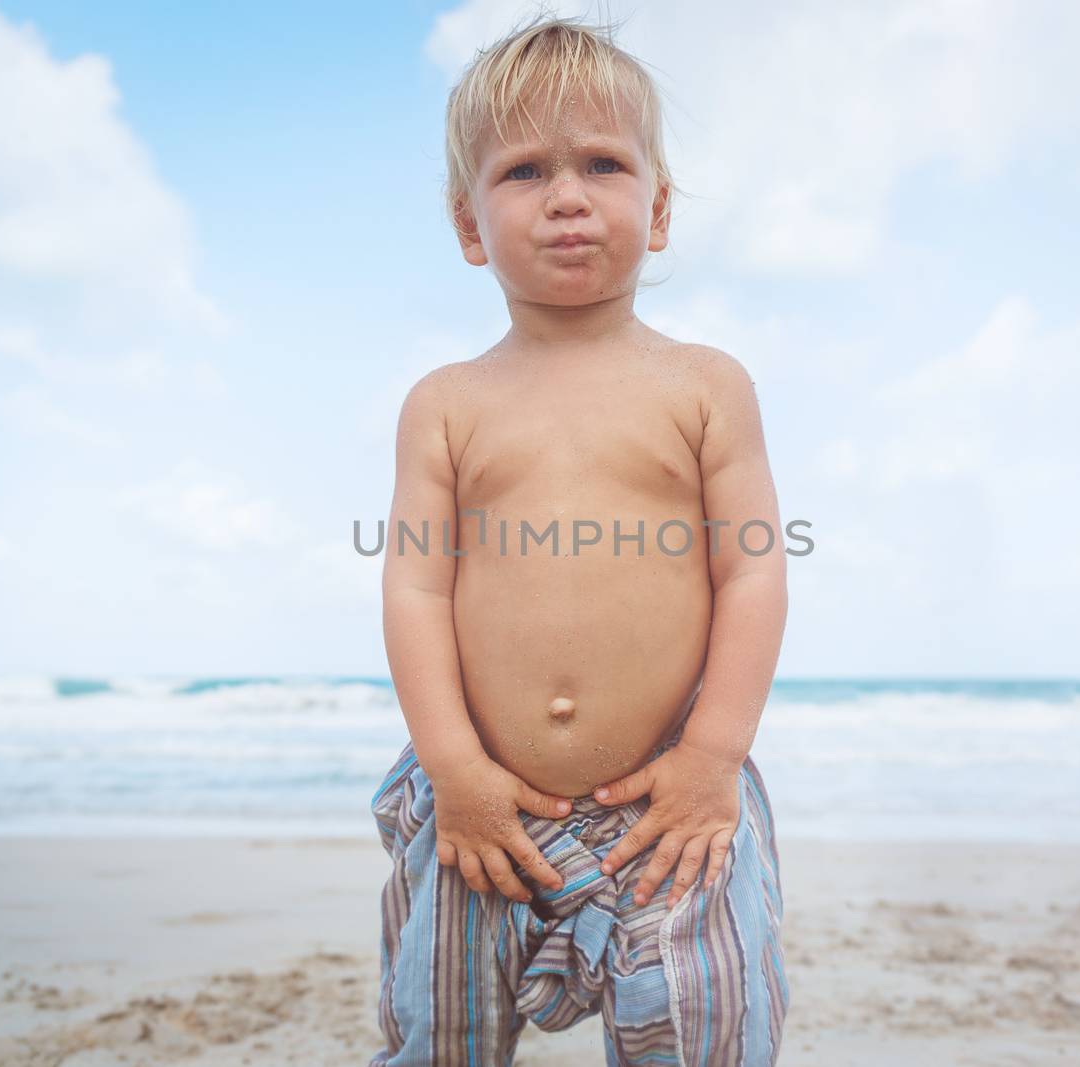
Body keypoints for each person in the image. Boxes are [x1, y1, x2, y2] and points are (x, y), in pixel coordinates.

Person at [370, 13, 788, 1065]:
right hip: (484, 807)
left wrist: (713, 754)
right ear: (469, 224)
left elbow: (750, 568)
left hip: (669, 801)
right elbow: (416, 589)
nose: (565, 195)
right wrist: (452, 764)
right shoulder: (447, 404)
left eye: (602, 163)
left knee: (708, 1028)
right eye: (523, 172)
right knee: (442, 1031)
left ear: (655, 208)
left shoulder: (702, 385)